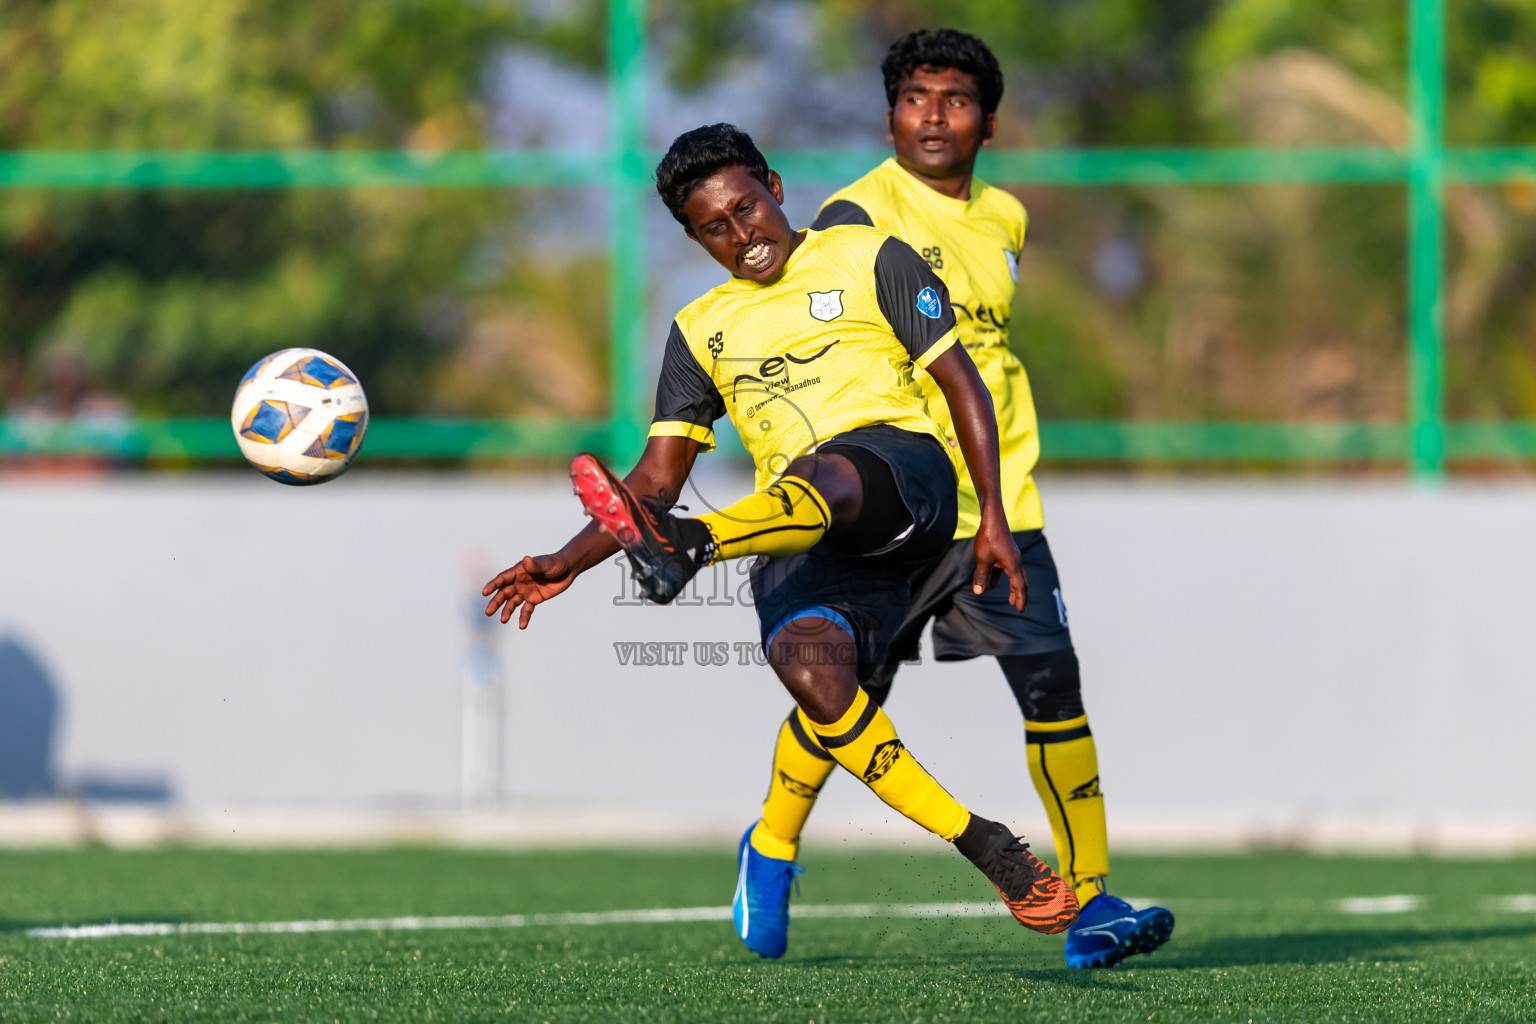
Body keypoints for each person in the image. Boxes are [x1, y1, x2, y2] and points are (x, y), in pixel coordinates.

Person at [483, 123, 1080, 955]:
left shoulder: (871, 257)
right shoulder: (700, 329)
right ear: (693, 237)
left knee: (829, 471)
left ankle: (693, 548)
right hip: (796, 532)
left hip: (903, 482)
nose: (741, 235)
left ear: (774, 186)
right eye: (713, 228)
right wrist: (568, 561)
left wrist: (998, 518)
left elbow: (962, 382)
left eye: (746, 208)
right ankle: (986, 845)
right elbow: (653, 483)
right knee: (810, 673)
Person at [735, 29, 1174, 969]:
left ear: (990, 123)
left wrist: (1002, 504)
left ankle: (1091, 904)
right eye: (915, 97)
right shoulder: (857, 218)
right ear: (889, 115)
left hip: (1003, 505)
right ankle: (769, 847)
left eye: (956, 99)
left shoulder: (1006, 217)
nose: (934, 115)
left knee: (1053, 687)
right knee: (853, 691)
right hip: (905, 507)